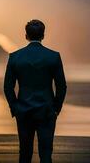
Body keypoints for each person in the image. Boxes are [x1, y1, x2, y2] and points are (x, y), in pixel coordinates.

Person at [4, 19, 67, 163]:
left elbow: (8, 87)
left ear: (26, 35)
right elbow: (61, 86)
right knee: (46, 154)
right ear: (43, 35)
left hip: (24, 110)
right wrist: (56, 108)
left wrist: (15, 108)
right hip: (46, 110)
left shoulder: (15, 57)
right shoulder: (53, 57)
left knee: (25, 153)